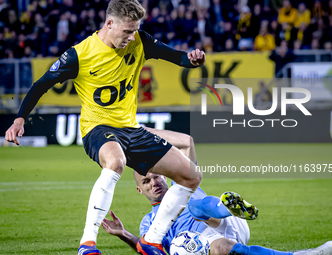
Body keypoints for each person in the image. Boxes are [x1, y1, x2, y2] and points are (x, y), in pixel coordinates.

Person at [4, 0, 206, 254]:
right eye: (127, 31)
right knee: (115, 162)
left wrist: (193, 60)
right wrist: (20, 118)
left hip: (132, 129)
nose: (131, 37)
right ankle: (87, 243)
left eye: (134, 31)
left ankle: (151, 240)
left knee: (192, 176)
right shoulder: (80, 54)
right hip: (97, 128)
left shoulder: (140, 41)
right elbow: (41, 84)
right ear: (109, 23)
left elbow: (177, 57)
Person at [102, 170, 332, 255]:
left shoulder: (181, 187)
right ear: (139, 190)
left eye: (156, 176)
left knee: (194, 205)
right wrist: (124, 234)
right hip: (206, 244)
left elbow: (187, 143)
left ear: (165, 175)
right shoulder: (147, 222)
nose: (154, 183)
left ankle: (227, 206)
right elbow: (151, 250)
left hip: (223, 222)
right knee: (218, 248)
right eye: (147, 182)